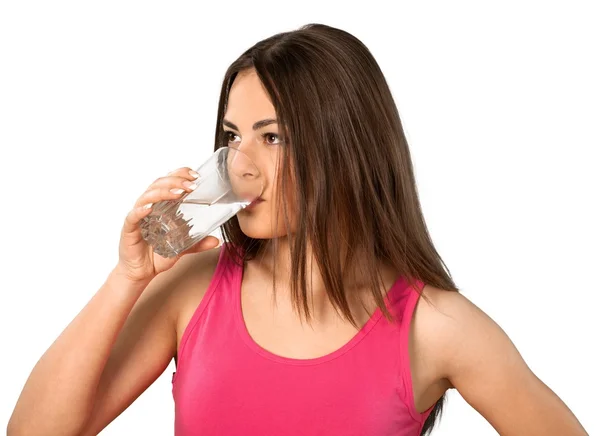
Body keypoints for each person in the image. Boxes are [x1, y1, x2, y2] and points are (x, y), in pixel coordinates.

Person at [7, 23, 588, 436]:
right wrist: (125, 279)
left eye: (274, 136)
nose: (242, 164)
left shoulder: (437, 327)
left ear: (346, 148)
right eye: (233, 136)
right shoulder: (193, 288)